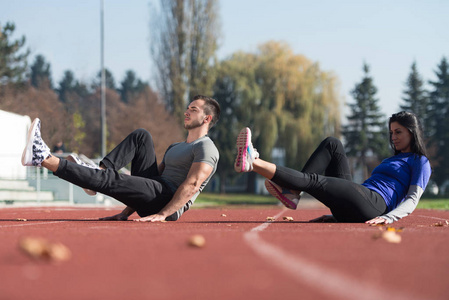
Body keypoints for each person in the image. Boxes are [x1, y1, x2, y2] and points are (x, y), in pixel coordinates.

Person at [21, 95, 220, 222]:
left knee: (112, 179)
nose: (187, 111)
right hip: (156, 191)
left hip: (167, 200)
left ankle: (43, 158)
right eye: (188, 107)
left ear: (207, 118)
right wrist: (124, 214)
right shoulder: (175, 147)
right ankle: (98, 172)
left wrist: (163, 214)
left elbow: (192, 184)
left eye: (193, 109)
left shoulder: (206, 147)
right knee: (142, 136)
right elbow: (144, 185)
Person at [234, 111, 431, 224]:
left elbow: (412, 199)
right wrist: (339, 210)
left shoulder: (420, 161)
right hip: (360, 201)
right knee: (332, 143)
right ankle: (293, 191)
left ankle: (254, 162)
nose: (393, 137)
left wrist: (388, 218)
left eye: (398, 132)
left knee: (314, 182)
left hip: (375, 205)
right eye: (391, 132)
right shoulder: (392, 160)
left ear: (412, 133)